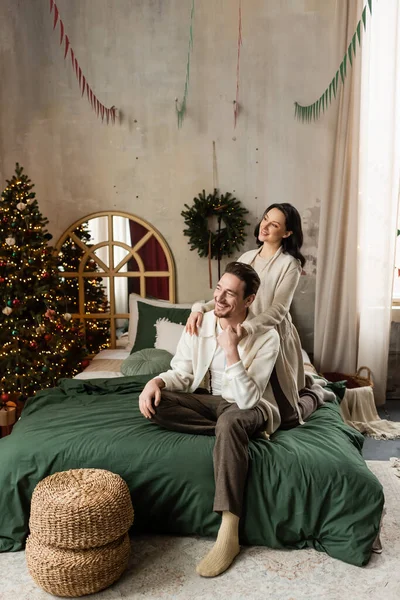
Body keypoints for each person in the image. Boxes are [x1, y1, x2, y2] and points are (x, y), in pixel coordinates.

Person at [139, 262, 281, 578]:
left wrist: (232, 351)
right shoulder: (200, 324)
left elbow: (247, 400)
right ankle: (239, 436)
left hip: (248, 405)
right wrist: (157, 382)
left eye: (230, 294)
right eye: (219, 289)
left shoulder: (266, 337)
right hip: (209, 402)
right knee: (157, 404)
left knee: (231, 422)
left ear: (249, 300)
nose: (220, 298)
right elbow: (183, 372)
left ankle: (229, 529)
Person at [187, 203, 335, 428]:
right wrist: (199, 308)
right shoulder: (247, 257)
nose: (264, 226)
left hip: (269, 336)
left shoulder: (290, 265)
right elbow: (227, 296)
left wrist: (247, 329)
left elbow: (278, 311)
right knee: (249, 396)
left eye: (274, 224)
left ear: (286, 233)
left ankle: (316, 395)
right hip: (243, 335)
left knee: (288, 417)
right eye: (265, 219)